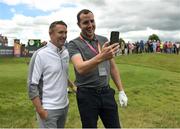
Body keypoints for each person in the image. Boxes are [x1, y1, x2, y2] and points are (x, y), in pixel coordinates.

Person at [67, 9, 128, 128]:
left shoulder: (103, 40)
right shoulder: (74, 44)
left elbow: (113, 67)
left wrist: (121, 90)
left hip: (106, 92)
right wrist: (102, 56)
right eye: (85, 22)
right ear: (79, 25)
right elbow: (80, 68)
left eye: (92, 21)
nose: (90, 25)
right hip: (87, 95)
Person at [27, 21, 75, 128]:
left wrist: (73, 86)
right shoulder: (40, 54)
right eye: (60, 32)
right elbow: (31, 86)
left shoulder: (65, 52)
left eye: (66, 32)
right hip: (48, 109)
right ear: (50, 33)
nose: (64, 36)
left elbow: (62, 75)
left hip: (64, 106)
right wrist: (41, 111)